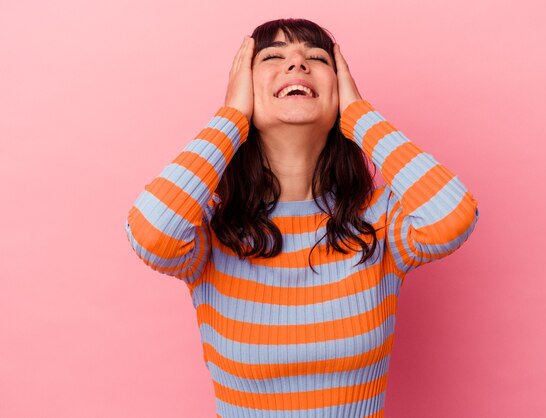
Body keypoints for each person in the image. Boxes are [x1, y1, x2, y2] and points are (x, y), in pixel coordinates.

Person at [125, 18, 479, 418]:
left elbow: (454, 216)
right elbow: (151, 232)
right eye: (273, 57)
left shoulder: (381, 220)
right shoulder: (210, 228)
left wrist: (359, 115)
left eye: (316, 57)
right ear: (244, 86)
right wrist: (231, 118)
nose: (297, 63)